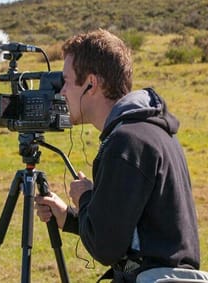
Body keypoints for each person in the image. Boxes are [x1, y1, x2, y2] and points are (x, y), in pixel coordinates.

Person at [35, 29, 206, 282]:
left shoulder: (126, 142)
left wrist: (85, 198)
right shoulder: (151, 131)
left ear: (91, 84)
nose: (61, 93)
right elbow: (135, 228)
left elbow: (105, 248)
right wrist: (70, 218)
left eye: (68, 81)